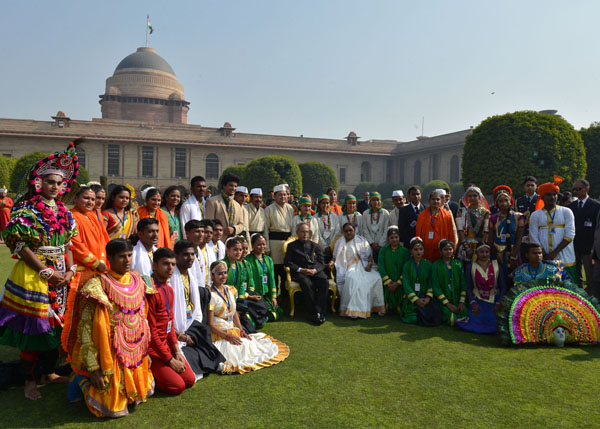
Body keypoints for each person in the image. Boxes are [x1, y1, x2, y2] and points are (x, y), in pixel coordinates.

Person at [0, 142, 78, 400]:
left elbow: (68, 244)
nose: (55, 187)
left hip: (60, 274)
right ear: (39, 183)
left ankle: (48, 372)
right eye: (50, 182)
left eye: (59, 183)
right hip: (34, 274)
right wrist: (46, 272)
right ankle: (28, 381)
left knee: (56, 327)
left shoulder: (65, 212)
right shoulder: (26, 210)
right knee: (34, 329)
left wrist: (68, 271)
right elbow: (20, 245)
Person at [64, 239, 154, 417]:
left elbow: (143, 319)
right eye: (122, 257)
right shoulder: (96, 286)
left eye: (129, 255)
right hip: (108, 353)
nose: (127, 260)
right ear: (110, 259)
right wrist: (93, 368)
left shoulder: (140, 280)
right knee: (113, 410)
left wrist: (145, 351)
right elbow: (86, 329)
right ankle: (80, 379)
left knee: (134, 399)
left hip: (133, 348)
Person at [208, 261, 289, 374]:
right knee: (237, 356)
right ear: (212, 276)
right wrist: (228, 337)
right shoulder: (210, 294)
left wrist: (241, 329)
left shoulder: (230, 289)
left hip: (232, 329)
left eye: (225, 273)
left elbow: (234, 312)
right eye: (220, 274)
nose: (223, 276)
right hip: (220, 334)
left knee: (250, 348)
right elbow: (210, 324)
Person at [171, 240, 226, 379]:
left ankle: (212, 362)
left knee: (203, 331)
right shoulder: (171, 278)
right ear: (176, 256)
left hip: (190, 322)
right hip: (175, 326)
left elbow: (196, 307)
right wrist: (180, 334)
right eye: (185, 255)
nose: (190, 258)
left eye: (192, 254)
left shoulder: (191, 276)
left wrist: (195, 324)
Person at [146, 248, 196, 395]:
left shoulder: (169, 289)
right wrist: (170, 361)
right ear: (154, 265)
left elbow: (170, 324)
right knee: (177, 387)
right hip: (153, 350)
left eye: (173, 264)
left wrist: (177, 351)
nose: (170, 268)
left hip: (166, 346)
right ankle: (151, 375)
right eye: (165, 264)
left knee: (190, 380)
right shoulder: (150, 291)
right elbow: (152, 332)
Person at [333, 222, 385, 318]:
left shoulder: (362, 240)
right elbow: (335, 258)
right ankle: (353, 310)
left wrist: (369, 264)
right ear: (343, 232)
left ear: (354, 230)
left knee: (376, 277)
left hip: (363, 266)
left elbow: (369, 256)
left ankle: (374, 307)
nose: (348, 233)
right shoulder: (339, 242)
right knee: (353, 279)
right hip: (348, 268)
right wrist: (331, 263)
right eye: (346, 231)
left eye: (350, 230)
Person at [529, 177, 577, 281]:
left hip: (566, 257)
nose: (552, 197)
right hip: (543, 259)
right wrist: (544, 254)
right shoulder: (535, 215)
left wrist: (554, 253)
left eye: (554, 194)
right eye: (549, 194)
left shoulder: (566, 212)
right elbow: (533, 236)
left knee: (568, 290)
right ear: (542, 197)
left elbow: (570, 234)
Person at [284, 223, 330, 324]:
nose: (305, 234)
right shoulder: (292, 246)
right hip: (301, 272)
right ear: (297, 233)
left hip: (315, 271)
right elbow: (288, 262)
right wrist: (300, 269)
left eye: (307, 232)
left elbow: (322, 262)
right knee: (307, 283)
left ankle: (321, 311)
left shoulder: (315, 245)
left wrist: (315, 270)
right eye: (303, 232)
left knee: (324, 281)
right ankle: (313, 313)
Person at [456, 243, 506, 334]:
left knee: (493, 319)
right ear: (476, 253)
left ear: (490, 253)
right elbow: (469, 287)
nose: (484, 254)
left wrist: (499, 303)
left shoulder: (497, 265)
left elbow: (503, 287)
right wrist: (472, 302)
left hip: (494, 299)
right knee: (478, 318)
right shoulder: (470, 267)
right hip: (478, 299)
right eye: (481, 252)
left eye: (487, 252)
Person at [222, 237, 269, 331]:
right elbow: (220, 287)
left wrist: (241, 301)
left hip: (238, 300)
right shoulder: (223, 264)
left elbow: (240, 287)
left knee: (251, 331)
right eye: (235, 249)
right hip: (225, 302)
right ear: (228, 250)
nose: (239, 252)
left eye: (240, 249)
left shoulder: (239, 265)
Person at [70, 187, 109, 288]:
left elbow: (101, 240)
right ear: (75, 198)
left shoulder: (93, 215)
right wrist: (95, 263)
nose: (90, 202)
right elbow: (76, 245)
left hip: (98, 269)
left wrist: (103, 261)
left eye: (92, 199)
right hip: (81, 270)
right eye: (86, 198)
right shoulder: (71, 217)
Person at [488, 186, 525, 282]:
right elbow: (490, 239)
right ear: (497, 203)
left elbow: (519, 238)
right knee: (499, 278)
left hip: (513, 252)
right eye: (500, 201)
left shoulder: (519, 217)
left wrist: (514, 254)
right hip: (497, 253)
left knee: (515, 278)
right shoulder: (493, 218)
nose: (504, 203)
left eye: (506, 200)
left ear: (510, 202)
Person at [568, 179, 600, 289]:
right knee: (576, 274)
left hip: (589, 246)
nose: (576, 191)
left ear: (587, 188)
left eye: (579, 189)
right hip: (574, 245)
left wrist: (594, 248)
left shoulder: (596, 206)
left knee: (590, 275)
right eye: (574, 189)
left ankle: (592, 298)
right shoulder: (570, 207)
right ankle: (578, 295)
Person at [264, 184, 295, 294]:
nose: (283, 197)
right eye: (280, 195)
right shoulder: (268, 209)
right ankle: (274, 294)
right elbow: (265, 230)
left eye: (285, 195)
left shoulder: (290, 209)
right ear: (274, 196)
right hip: (274, 243)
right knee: (275, 271)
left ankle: (286, 295)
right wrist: (267, 247)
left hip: (288, 243)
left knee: (286, 270)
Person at [245, 233, 282, 321]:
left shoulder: (268, 260)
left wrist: (273, 297)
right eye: (259, 244)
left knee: (275, 314)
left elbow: (272, 279)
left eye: (264, 244)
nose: (262, 246)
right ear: (253, 246)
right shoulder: (248, 260)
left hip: (266, 296)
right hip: (254, 296)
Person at [401, 237, 437, 325]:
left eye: (421, 249)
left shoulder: (429, 265)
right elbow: (406, 284)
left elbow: (432, 283)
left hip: (425, 298)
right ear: (411, 251)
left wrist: (428, 298)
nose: (418, 252)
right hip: (411, 300)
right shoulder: (407, 265)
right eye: (416, 249)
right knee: (413, 318)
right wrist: (416, 300)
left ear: (424, 251)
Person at [431, 240, 467, 326]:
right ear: (440, 251)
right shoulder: (435, 265)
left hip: (458, 301)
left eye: (450, 249)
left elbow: (463, 284)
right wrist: (448, 304)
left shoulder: (458, 264)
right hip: (443, 303)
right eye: (445, 249)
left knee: (466, 313)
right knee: (453, 320)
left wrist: (461, 302)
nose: (448, 252)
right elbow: (436, 287)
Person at [416, 190, 457, 262]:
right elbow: (418, 233)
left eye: (438, 199)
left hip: (442, 248)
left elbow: (451, 233)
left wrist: (452, 248)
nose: (435, 201)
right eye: (433, 199)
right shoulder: (422, 216)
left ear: (441, 201)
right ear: (429, 201)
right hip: (426, 248)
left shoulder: (447, 215)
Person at [378, 226, 410, 314]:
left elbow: (406, 269)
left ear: (399, 238)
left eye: (396, 237)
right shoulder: (383, 251)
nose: (394, 240)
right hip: (388, 283)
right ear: (388, 239)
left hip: (400, 283)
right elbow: (381, 266)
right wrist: (388, 282)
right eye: (391, 238)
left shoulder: (405, 251)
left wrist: (398, 282)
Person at [205, 173, 245, 241]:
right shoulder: (212, 202)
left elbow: (241, 224)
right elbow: (209, 223)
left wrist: (234, 229)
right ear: (223, 185)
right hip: (216, 241)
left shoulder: (237, 205)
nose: (233, 188)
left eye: (235, 186)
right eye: (231, 185)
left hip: (233, 242)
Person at [456, 186, 490, 263]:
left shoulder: (486, 213)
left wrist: (481, 247)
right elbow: (460, 230)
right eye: (470, 196)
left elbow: (486, 231)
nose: (472, 198)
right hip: (465, 246)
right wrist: (467, 248)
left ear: (479, 197)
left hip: (481, 247)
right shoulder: (462, 211)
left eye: (474, 196)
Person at [360, 192, 390, 256]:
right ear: (370, 201)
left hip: (383, 245)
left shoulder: (385, 213)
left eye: (377, 200)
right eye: (373, 200)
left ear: (380, 201)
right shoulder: (365, 213)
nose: (376, 202)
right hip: (369, 245)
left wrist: (380, 244)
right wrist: (372, 243)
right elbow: (365, 230)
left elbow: (386, 230)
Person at [316, 194, 340, 259]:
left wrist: (331, 246)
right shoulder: (315, 217)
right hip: (320, 248)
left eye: (327, 203)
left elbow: (337, 231)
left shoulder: (335, 216)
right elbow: (317, 234)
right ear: (319, 204)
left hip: (333, 247)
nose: (325, 205)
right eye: (323, 203)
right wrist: (325, 247)